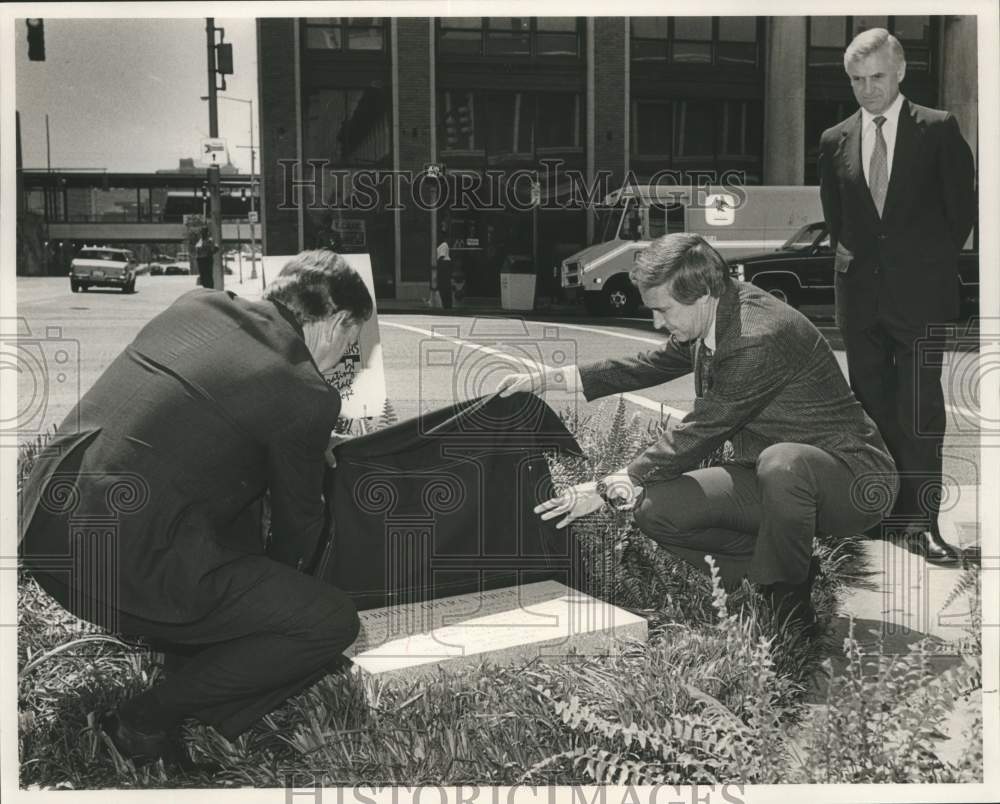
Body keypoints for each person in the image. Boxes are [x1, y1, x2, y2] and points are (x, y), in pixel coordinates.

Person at [19, 250, 373, 764]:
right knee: (328, 621)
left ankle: (190, 661)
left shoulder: (196, 305)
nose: (347, 356)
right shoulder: (304, 390)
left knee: (231, 520)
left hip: (45, 525)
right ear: (337, 320)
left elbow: (196, 422)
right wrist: (269, 614)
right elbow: (299, 527)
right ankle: (145, 720)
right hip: (112, 566)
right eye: (351, 341)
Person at [497, 233, 898, 629]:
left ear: (702, 293)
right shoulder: (715, 310)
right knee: (656, 509)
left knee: (783, 461)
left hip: (852, 480)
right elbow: (650, 363)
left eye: (663, 310)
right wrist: (549, 378)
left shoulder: (756, 336)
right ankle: (783, 568)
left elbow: (702, 429)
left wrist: (605, 487)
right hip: (771, 478)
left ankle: (788, 608)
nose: (657, 322)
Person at [818, 28, 976, 563]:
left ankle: (924, 524)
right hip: (859, 300)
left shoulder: (938, 129)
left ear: (901, 71)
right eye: (858, 80)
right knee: (870, 409)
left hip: (922, 299)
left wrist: (920, 266)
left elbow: (961, 213)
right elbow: (839, 222)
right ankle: (882, 517)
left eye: (877, 77)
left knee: (921, 411)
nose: (867, 90)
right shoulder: (834, 139)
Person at [435, 220, 454, 310]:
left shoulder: (443, 245)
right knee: (444, 286)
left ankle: (446, 304)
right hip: (444, 265)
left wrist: (437, 266)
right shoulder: (442, 245)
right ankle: (446, 303)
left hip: (444, 266)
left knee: (444, 286)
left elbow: (441, 257)